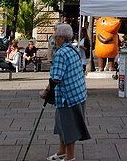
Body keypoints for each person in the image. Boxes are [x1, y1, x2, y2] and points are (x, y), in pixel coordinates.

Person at [40, 23, 90, 161]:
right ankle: (62, 151)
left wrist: (45, 92)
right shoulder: (73, 50)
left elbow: (55, 78)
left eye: (55, 35)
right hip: (78, 94)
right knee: (61, 123)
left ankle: (70, 157)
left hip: (68, 97)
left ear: (61, 38)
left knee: (68, 126)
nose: (54, 38)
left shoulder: (61, 53)